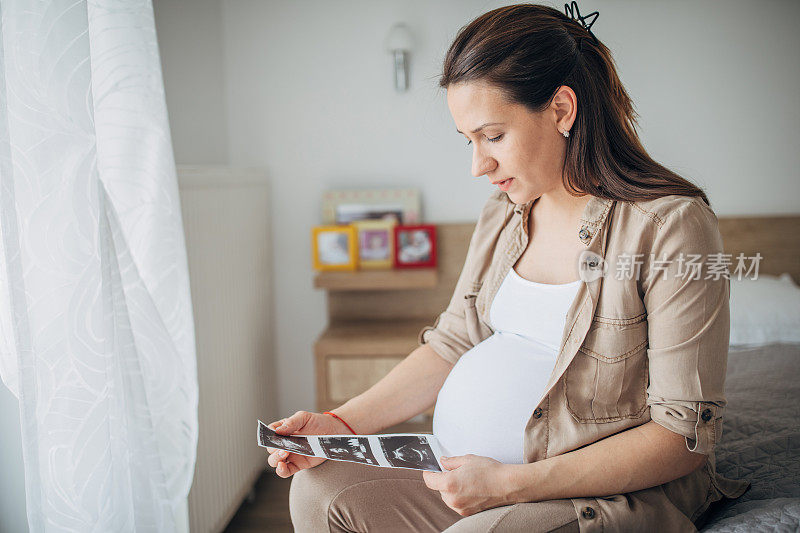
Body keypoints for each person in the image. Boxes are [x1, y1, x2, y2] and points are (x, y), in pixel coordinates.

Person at [265, 4, 751, 531]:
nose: (479, 165)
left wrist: (507, 484)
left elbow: (683, 437)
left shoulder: (670, 226)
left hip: (588, 493)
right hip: (469, 477)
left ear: (562, 110)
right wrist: (338, 424)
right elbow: (452, 343)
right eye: (469, 141)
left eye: (493, 136)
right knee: (319, 489)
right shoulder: (504, 214)